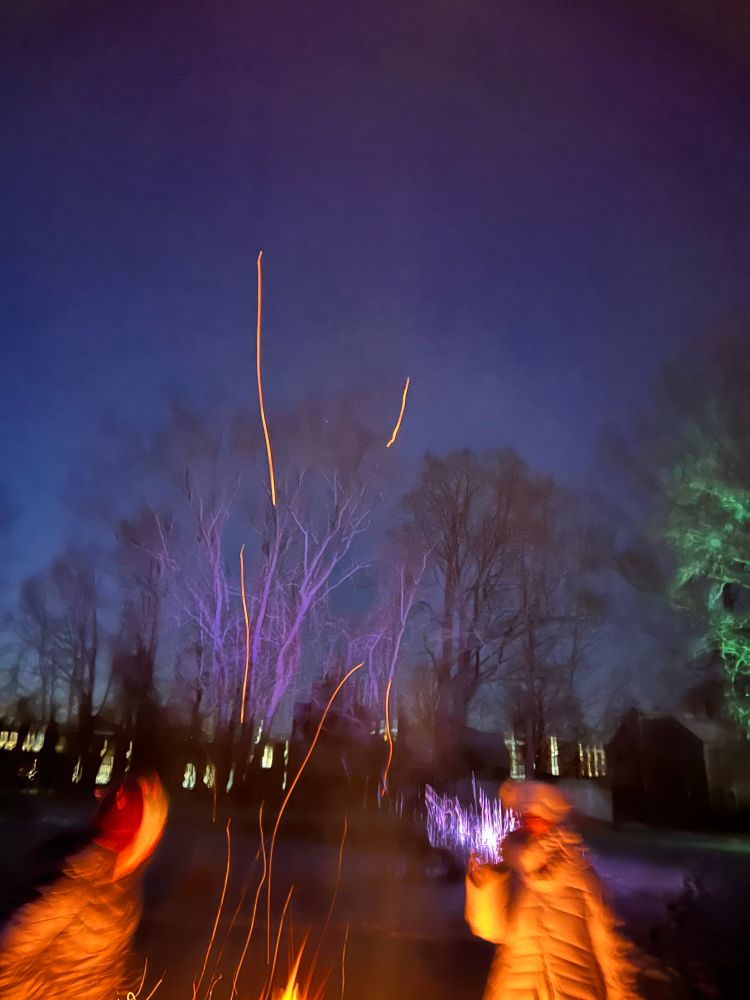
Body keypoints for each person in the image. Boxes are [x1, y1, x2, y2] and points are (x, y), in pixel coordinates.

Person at [0, 771, 169, 999]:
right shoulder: (77, 882)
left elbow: (110, 959)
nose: (99, 793)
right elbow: (7, 964)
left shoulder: (120, 885)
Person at [466, 780, 639, 1000]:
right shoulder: (511, 872)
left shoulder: (582, 877)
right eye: (523, 817)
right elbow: (491, 931)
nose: (526, 824)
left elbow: (609, 949)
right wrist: (485, 884)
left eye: (535, 817)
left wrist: (622, 995)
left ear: (553, 820)